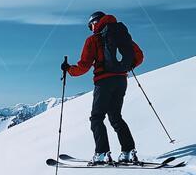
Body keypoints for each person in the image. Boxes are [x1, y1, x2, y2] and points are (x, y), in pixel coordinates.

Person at [61, 11, 144, 165]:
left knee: (97, 118)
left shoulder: (93, 39)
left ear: (95, 23)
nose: (91, 29)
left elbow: (84, 66)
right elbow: (139, 56)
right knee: (116, 116)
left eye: (90, 26)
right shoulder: (121, 34)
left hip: (104, 81)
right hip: (121, 80)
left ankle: (101, 154)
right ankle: (128, 152)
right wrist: (125, 67)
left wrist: (69, 70)